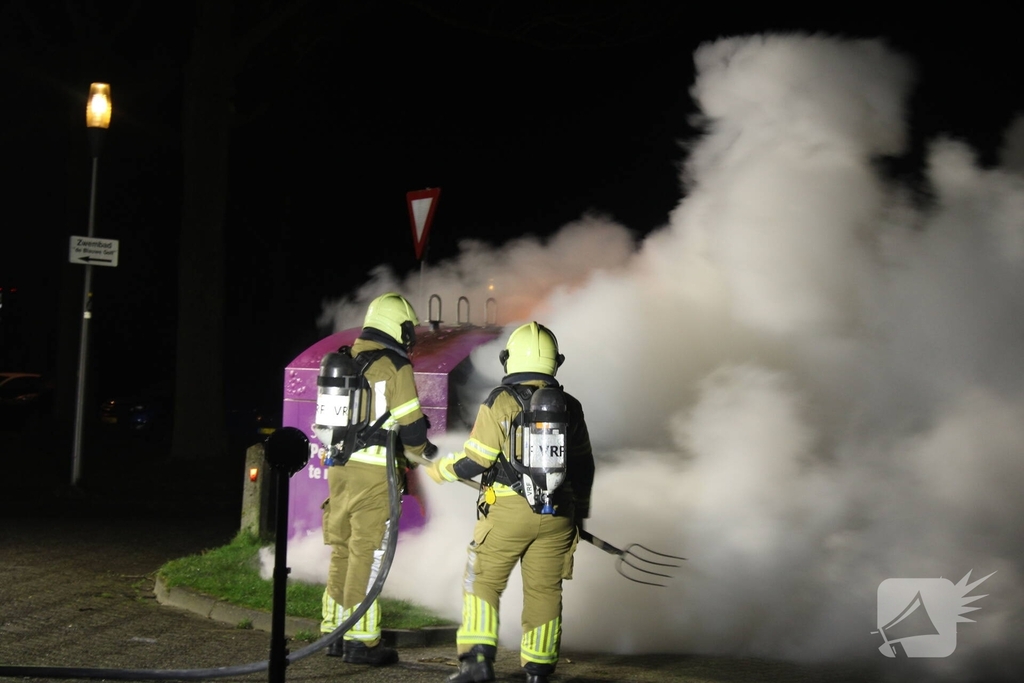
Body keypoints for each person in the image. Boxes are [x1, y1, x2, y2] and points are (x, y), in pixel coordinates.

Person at [427, 322, 595, 683]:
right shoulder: (571, 407)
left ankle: (476, 663)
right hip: (559, 517)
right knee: (545, 590)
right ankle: (538, 670)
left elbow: (476, 461)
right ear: (556, 362)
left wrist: (442, 470)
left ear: (508, 360)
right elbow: (584, 467)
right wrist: (579, 516)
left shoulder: (500, 402)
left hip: (507, 514)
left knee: (483, 581)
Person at [318, 292, 436, 666]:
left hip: (339, 469)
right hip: (372, 476)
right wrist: (429, 453)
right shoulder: (394, 367)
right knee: (366, 555)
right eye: (408, 329)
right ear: (396, 327)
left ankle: (333, 632)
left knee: (342, 548)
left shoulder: (349, 359)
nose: (410, 337)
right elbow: (413, 431)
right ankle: (362, 641)